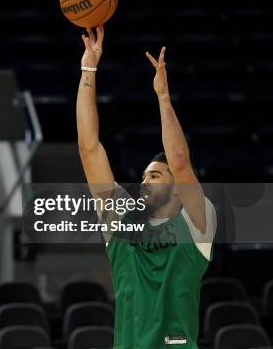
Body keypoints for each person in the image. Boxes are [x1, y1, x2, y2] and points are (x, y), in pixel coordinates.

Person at [76, 25, 216, 348]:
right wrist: (88, 68)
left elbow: (180, 163)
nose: (143, 182)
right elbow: (89, 147)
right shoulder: (122, 221)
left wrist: (163, 98)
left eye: (154, 176)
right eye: (142, 177)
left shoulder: (197, 225)